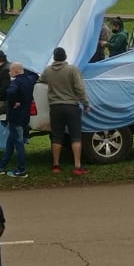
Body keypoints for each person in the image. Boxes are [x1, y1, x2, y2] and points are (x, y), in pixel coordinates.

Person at [42, 47, 90, 175]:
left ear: (54, 57)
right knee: (75, 136)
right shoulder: (72, 69)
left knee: (57, 136)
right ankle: (77, 166)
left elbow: (42, 79)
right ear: (65, 57)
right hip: (71, 107)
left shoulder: (48, 71)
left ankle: (56, 165)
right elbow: (80, 88)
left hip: (55, 108)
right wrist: (85, 103)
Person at [0, 63, 35, 178]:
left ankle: (21, 170)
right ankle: (1, 166)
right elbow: (34, 74)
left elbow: (10, 92)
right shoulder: (29, 80)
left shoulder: (15, 82)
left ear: (16, 72)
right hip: (25, 116)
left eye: (10, 71)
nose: (9, 73)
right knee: (10, 143)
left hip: (15, 116)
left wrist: (12, 103)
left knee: (18, 144)